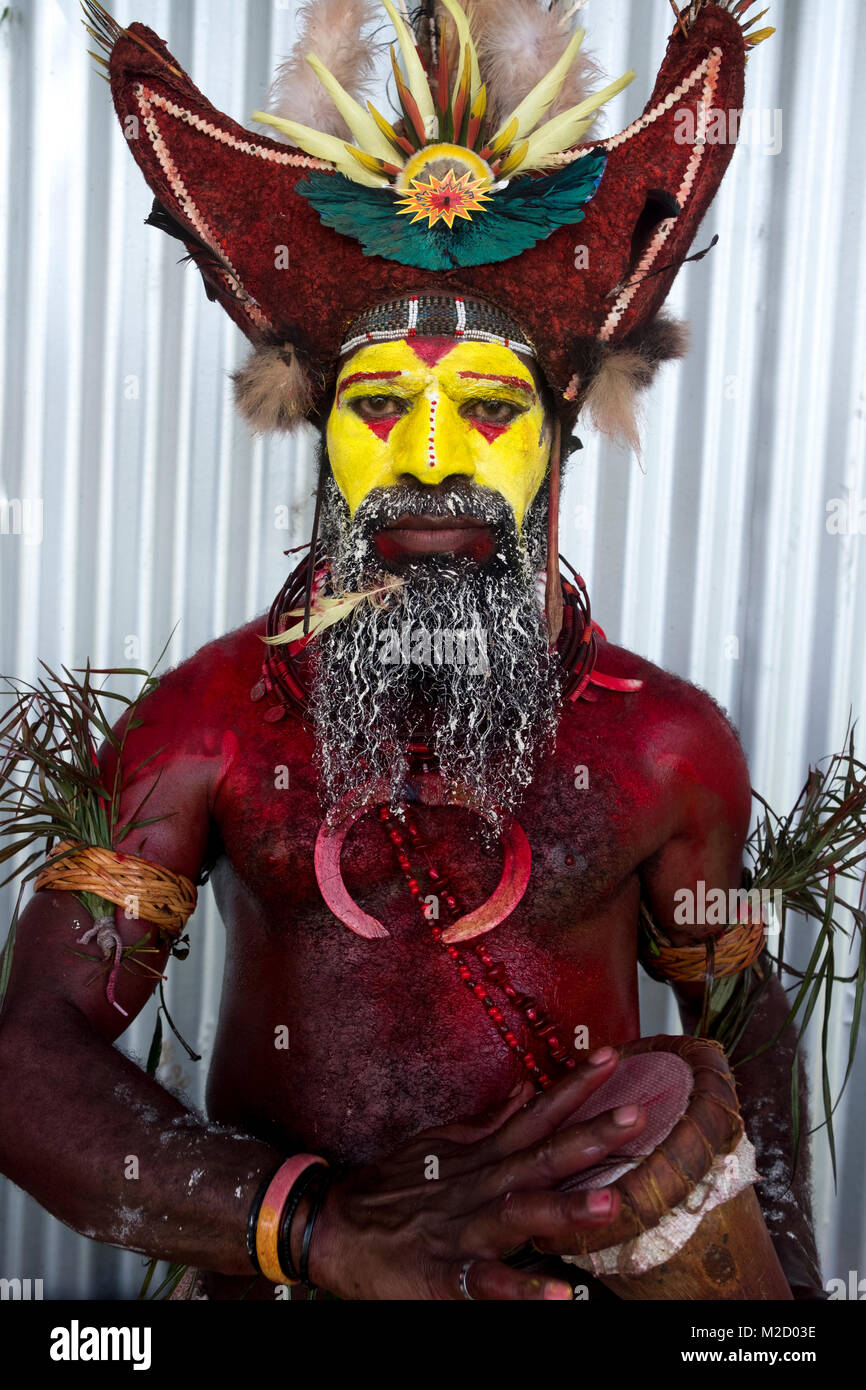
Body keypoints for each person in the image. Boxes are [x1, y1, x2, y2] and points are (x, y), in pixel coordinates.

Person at [0, 0, 825, 1299]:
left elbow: (741, 1019)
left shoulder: (665, 741)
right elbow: (30, 1051)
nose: (431, 455)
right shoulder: (204, 719)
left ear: (555, 432)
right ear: (315, 427)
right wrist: (319, 1231)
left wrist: (773, 1295)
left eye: (484, 409)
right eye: (379, 404)